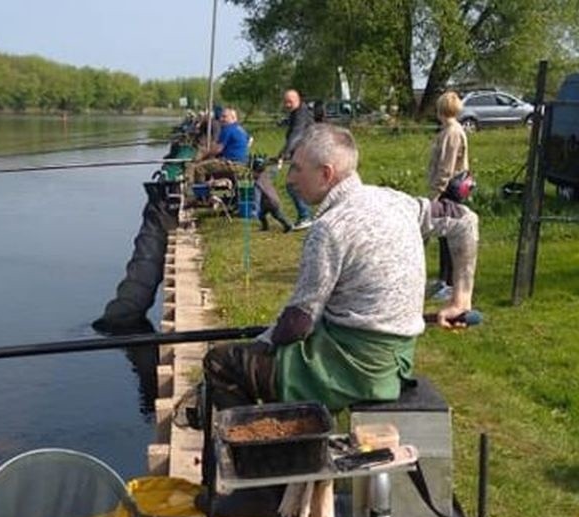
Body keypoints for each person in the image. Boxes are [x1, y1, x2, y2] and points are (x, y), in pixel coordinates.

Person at [203, 123, 479, 414]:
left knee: (221, 363)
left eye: (297, 169)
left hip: (355, 369)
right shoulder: (397, 200)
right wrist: (461, 299)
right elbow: (465, 220)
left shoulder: (328, 230)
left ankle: (257, 454)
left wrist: (261, 344)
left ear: (325, 174)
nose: (290, 179)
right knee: (269, 360)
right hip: (399, 359)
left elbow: (299, 323)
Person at [428, 90, 470, 301]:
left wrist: (435, 195)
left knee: (450, 235)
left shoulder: (452, 133)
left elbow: (447, 168)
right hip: (446, 189)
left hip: (449, 191)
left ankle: (452, 285)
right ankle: (443, 280)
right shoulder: (447, 130)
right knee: (443, 236)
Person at [278, 89, 315, 230]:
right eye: (286, 101)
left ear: (298, 100)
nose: (287, 104)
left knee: (292, 184)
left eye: (290, 101)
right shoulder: (296, 113)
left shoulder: (301, 114)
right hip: (304, 153)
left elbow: (296, 135)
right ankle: (307, 214)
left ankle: (305, 216)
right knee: (299, 184)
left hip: (309, 153)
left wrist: (284, 152)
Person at [190, 107, 251, 184]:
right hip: (242, 163)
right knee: (210, 164)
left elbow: (218, 149)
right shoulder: (240, 129)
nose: (221, 119)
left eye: (225, 117)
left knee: (199, 168)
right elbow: (249, 140)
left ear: (233, 118)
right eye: (221, 117)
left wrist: (203, 156)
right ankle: (213, 187)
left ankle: (201, 193)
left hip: (232, 163)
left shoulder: (228, 129)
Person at [252, 157, 294, 233]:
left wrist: (255, 209)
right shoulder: (267, 175)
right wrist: (279, 164)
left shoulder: (257, 184)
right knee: (262, 215)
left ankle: (289, 226)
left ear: (255, 171)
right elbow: (275, 171)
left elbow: (256, 197)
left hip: (270, 203)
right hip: (273, 200)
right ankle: (265, 227)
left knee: (277, 215)